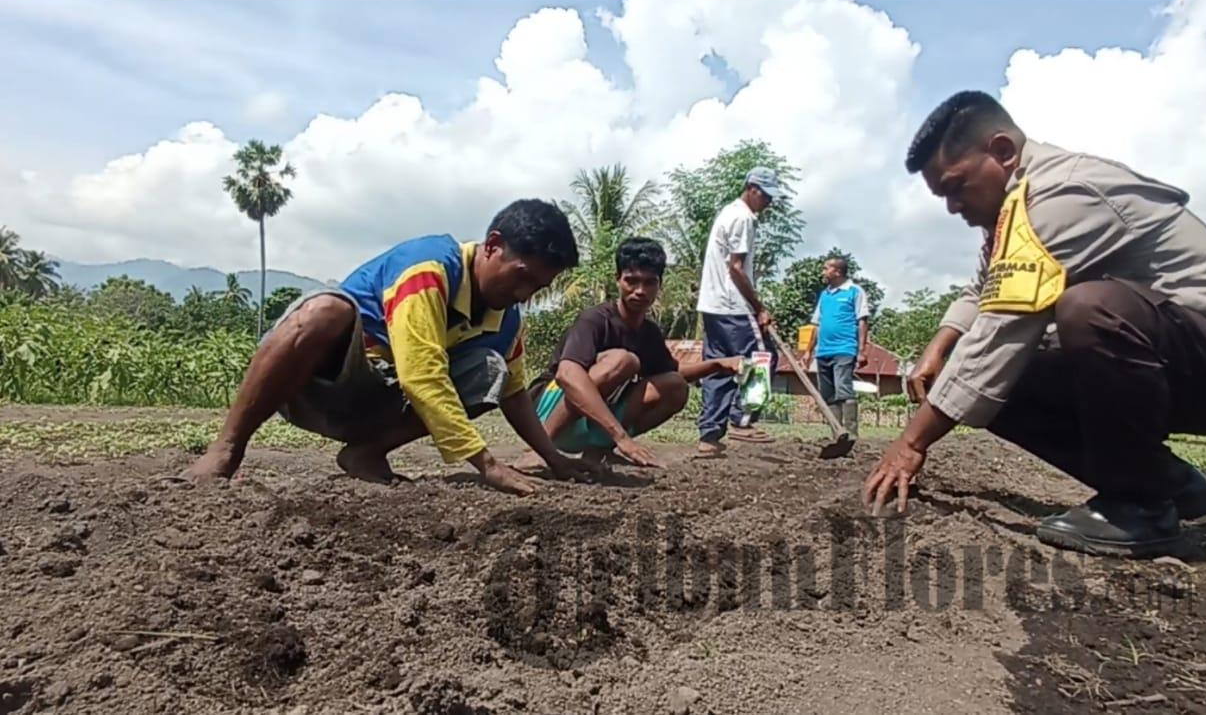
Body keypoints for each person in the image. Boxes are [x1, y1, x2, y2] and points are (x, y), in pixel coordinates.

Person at [863, 91, 1206, 557]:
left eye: (957, 187)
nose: (952, 207)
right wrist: (941, 343)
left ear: (1002, 152)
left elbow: (1003, 328)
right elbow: (986, 287)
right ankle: (1167, 482)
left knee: (1090, 309)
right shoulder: (1017, 206)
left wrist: (911, 443)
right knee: (998, 383)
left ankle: (1139, 508)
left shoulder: (1063, 194)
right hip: (1176, 364)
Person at [181, 199, 596, 496]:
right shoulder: (429, 268)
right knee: (325, 310)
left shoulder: (506, 319)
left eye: (536, 288)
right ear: (492, 245)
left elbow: (514, 395)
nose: (523, 294)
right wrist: (486, 465)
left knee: (491, 369)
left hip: (381, 407)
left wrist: (554, 458)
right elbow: (422, 374)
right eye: (520, 276)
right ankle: (227, 449)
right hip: (316, 387)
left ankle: (366, 453)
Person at [521, 237, 744, 469]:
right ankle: (538, 450)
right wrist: (622, 438)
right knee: (624, 361)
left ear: (660, 285)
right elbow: (567, 374)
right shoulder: (595, 320)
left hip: (588, 422)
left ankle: (597, 452)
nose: (640, 291)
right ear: (618, 279)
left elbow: (674, 373)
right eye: (632, 281)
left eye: (649, 283)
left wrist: (717, 365)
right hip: (546, 414)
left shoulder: (649, 333)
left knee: (675, 385)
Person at [695, 167, 784, 457]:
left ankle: (709, 436)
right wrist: (759, 308)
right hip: (733, 305)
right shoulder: (743, 217)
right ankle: (742, 420)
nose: (769, 203)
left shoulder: (727, 212)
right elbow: (736, 269)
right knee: (763, 358)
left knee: (719, 367)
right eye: (767, 196)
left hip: (712, 305)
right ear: (753, 189)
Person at [804, 256, 870, 437]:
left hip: (845, 349)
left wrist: (862, 350)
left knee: (844, 391)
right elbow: (817, 324)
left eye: (826, 268)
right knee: (828, 395)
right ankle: (837, 434)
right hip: (823, 351)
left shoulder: (854, 291)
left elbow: (862, 320)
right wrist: (809, 350)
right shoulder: (825, 295)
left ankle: (851, 433)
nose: (823, 272)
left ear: (837, 271)